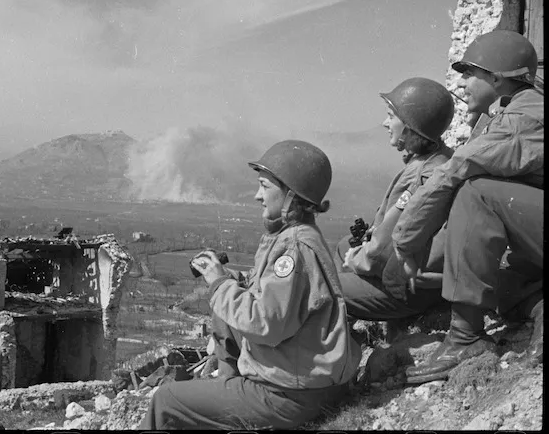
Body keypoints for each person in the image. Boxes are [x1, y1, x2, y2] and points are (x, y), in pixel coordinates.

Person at [140, 140, 361, 430]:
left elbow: (265, 323)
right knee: (225, 297)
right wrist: (228, 278)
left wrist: (219, 283)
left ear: (291, 196)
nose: (257, 196)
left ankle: (227, 392)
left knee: (166, 400)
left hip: (289, 395)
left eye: (264, 187)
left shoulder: (292, 247)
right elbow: (274, 297)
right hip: (304, 380)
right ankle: (225, 386)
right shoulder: (296, 235)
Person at [391, 30, 544, 384]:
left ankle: (465, 338)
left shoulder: (524, 118)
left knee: (476, 193)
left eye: (469, 73)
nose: (462, 82)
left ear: (497, 77)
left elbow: (455, 171)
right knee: (496, 285)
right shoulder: (506, 111)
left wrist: (406, 240)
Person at [334, 77, 455, 321]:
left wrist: (356, 261)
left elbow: (382, 251)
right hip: (415, 272)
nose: (384, 123)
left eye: (391, 116)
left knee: (318, 288)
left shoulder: (420, 175)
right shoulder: (437, 158)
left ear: (411, 126)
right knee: (344, 244)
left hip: (406, 287)